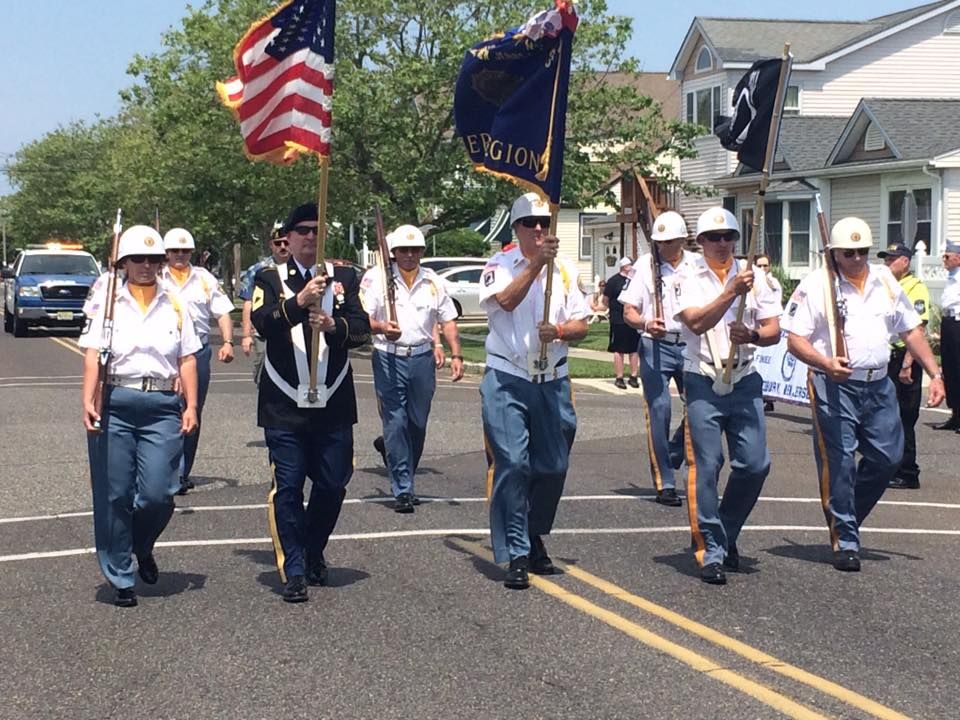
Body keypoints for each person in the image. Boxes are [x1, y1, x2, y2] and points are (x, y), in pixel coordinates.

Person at [782, 218, 944, 572]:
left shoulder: (885, 280)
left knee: (888, 459)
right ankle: (846, 539)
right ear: (834, 253)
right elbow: (795, 339)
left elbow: (911, 329)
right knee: (839, 463)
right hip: (835, 382)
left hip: (879, 383)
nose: (856, 258)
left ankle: (846, 515)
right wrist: (825, 361)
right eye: (848, 253)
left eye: (862, 252)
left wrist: (935, 373)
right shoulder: (816, 285)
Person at [252, 202, 370, 603]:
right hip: (284, 402)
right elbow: (261, 323)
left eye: (317, 230)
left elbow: (362, 331)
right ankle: (295, 569)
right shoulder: (270, 279)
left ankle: (313, 546)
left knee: (334, 482)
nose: (310, 237)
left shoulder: (344, 278)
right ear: (288, 237)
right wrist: (298, 303)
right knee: (288, 486)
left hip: (333, 398)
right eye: (303, 230)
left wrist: (335, 326)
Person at [79, 225, 200, 607]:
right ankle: (120, 574)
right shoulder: (109, 302)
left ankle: (141, 544)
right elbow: (93, 353)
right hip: (117, 398)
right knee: (115, 493)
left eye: (153, 259)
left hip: (162, 403)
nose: (146, 266)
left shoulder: (175, 302)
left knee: (159, 493)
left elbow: (187, 357)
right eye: (137, 259)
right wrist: (87, 398)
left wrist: (192, 405)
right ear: (123, 263)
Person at [479, 191, 589, 590]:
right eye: (531, 224)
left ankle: (533, 530)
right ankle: (516, 553)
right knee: (513, 462)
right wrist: (535, 266)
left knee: (554, 466)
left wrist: (559, 330)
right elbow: (505, 301)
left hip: (552, 379)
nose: (540, 230)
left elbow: (582, 324)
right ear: (517, 230)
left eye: (545, 223)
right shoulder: (500, 265)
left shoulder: (564, 272)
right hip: (508, 377)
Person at [674, 208, 782, 585]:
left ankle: (723, 531)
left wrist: (751, 336)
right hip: (703, 375)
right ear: (700, 242)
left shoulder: (759, 278)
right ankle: (711, 552)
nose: (723, 244)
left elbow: (773, 330)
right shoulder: (686, 276)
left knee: (755, 464)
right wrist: (729, 294)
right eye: (714, 237)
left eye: (729, 237)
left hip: (745, 377)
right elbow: (696, 321)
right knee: (707, 464)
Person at [360, 224, 464, 513]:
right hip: (388, 355)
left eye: (414, 250)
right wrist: (381, 327)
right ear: (392, 253)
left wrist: (456, 354)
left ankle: (398, 458)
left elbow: (448, 319)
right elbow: (361, 317)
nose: (409, 255)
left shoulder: (433, 281)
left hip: (421, 358)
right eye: (403, 250)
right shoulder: (376, 279)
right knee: (395, 421)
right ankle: (403, 487)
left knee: (416, 423)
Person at [620, 210, 697, 508]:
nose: (662, 247)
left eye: (668, 241)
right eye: (659, 241)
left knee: (700, 407)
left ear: (681, 240)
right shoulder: (645, 266)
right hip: (656, 343)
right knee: (660, 409)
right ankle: (665, 481)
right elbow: (629, 311)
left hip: (690, 342)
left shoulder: (696, 265)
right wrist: (645, 324)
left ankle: (674, 452)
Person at [160, 228, 235, 495]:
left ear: (192, 253)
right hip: (165, 353)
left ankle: (181, 473)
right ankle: (163, 470)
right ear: (166, 253)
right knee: (167, 409)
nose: (179, 256)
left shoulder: (204, 278)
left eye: (185, 251)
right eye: (174, 251)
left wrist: (228, 342)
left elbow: (223, 312)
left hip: (198, 351)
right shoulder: (156, 277)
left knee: (191, 410)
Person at [877, 242, 931, 489]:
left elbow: (917, 328)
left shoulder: (915, 288)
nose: (887, 263)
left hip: (905, 358)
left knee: (905, 416)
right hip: (889, 358)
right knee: (889, 416)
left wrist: (908, 364)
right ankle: (892, 465)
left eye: (892, 259)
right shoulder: (888, 285)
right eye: (886, 259)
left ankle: (908, 471)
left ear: (905, 262)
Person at [238, 221, 289, 385]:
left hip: (292, 329)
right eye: (278, 243)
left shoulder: (302, 268)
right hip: (264, 330)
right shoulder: (258, 270)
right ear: (271, 245)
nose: (282, 246)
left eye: (286, 242)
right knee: (262, 367)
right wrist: (246, 336)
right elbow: (248, 302)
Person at [600, 257, 639, 388]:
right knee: (618, 349)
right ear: (624, 267)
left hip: (633, 319)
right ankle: (619, 377)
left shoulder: (634, 280)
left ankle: (634, 376)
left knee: (634, 349)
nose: (632, 268)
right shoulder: (613, 281)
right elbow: (605, 300)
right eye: (630, 265)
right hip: (618, 320)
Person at [936, 239, 960, 430]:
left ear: (958, 258)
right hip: (949, 324)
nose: (944, 260)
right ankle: (955, 414)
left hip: (959, 324)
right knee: (950, 368)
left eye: (947, 256)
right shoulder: (951, 277)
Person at [755, 254, 782, 413]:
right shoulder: (753, 281)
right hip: (757, 330)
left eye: (765, 265)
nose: (762, 269)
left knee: (770, 365)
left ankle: (769, 397)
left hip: (769, 328)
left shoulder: (773, 283)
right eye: (759, 266)